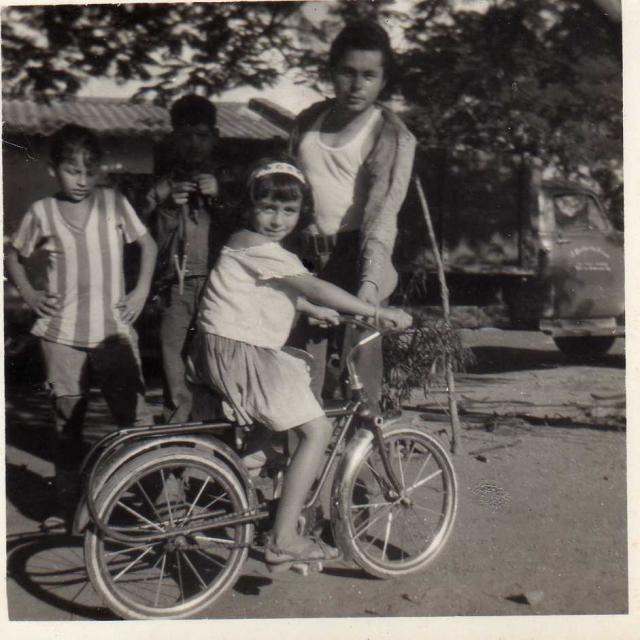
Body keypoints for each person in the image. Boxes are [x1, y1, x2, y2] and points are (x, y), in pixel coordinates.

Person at [186, 158, 412, 568]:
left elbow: (280, 290)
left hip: (231, 350)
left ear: (300, 213)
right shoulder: (254, 244)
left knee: (279, 417)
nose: (277, 219)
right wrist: (374, 312)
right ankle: (284, 538)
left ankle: (239, 482)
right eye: (268, 208)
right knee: (317, 429)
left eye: (288, 211)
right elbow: (312, 284)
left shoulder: (249, 245)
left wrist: (307, 307)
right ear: (250, 208)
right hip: (242, 354)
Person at [6, 124, 157, 529]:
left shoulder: (113, 203)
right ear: (54, 169)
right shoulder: (42, 212)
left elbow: (148, 245)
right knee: (68, 420)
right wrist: (31, 296)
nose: (82, 180)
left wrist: (141, 290)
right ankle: (66, 503)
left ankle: (146, 501)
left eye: (90, 171)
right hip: (61, 335)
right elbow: (13, 256)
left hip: (113, 333)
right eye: (73, 170)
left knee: (135, 418)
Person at [289, 19, 417, 409]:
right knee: (299, 367)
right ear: (332, 72)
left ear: (382, 81)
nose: (356, 84)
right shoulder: (308, 121)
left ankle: (360, 462)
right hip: (305, 256)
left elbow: (382, 214)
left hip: (355, 254)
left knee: (359, 373)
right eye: (347, 72)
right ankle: (297, 463)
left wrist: (369, 287)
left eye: (368, 75)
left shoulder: (390, 134)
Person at [144, 94, 236, 423]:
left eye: (201, 136)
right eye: (185, 136)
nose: (193, 145)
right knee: (174, 362)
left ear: (215, 137)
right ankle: (175, 438)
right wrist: (168, 206)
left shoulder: (229, 182)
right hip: (176, 287)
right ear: (173, 139)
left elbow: (243, 230)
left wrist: (221, 197)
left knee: (216, 361)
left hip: (219, 286)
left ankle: (217, 438)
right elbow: (147, 241)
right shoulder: (162, 187)